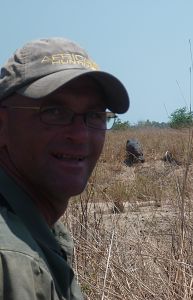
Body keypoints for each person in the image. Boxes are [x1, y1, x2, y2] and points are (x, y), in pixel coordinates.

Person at [0, 37, 129, 299]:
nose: (80, 135)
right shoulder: (13, 263)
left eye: (94, 115)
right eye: (55, 111)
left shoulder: (43, 230)